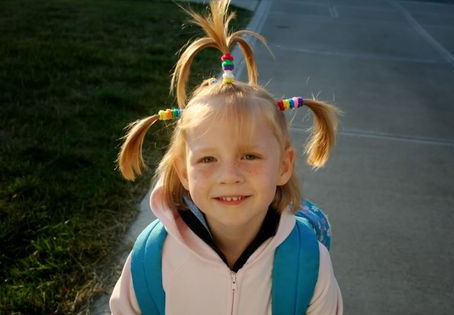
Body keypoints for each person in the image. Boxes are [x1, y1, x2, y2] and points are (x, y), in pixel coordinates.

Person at [109, 0, 342, 314]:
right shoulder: (152, 259)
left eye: (249, 155)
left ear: (284, 166)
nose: (229, 175)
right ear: (183, 172)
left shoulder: (308, 262)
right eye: (207, 159)